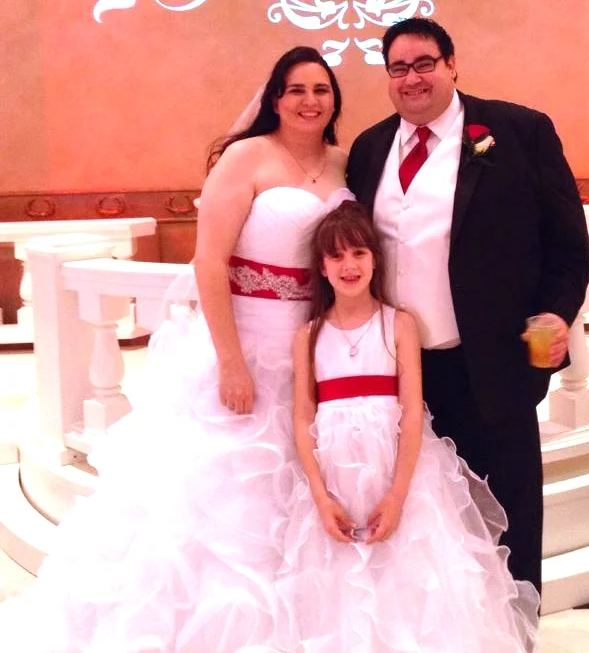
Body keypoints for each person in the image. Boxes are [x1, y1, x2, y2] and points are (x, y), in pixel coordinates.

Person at [0, 46, 352, 652]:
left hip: (321, 344)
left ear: (334, 100)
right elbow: (209, 260)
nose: (310, 100)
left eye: (321, 89)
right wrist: (232, 361)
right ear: (275, 98)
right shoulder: (247, 157)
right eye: (296, 89)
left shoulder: (347, 163)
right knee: (230, 495)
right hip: (249, 337)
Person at [347, 17, 589, 596]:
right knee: (419, 525)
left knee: (506, 521)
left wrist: (556, 313)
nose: (412, 78)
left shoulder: (518, 132)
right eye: (399, 68)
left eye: (424, 63)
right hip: (398, 375)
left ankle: (515, 630)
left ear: (452, 64)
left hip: (490, 366)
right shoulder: (369, 148)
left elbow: (568, 247)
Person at [276, 200, 539, 652]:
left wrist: (397, 496)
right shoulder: (309, 335)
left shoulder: (398, 324)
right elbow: (303, 416)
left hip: (399, 473)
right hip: (335, 475)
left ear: (376, 259)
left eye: (359, 253)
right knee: (343, 583)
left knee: (409, 578)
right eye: (336, 255)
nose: (349, 265)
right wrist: (321, 496)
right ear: (320, 267)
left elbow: (413, 409)